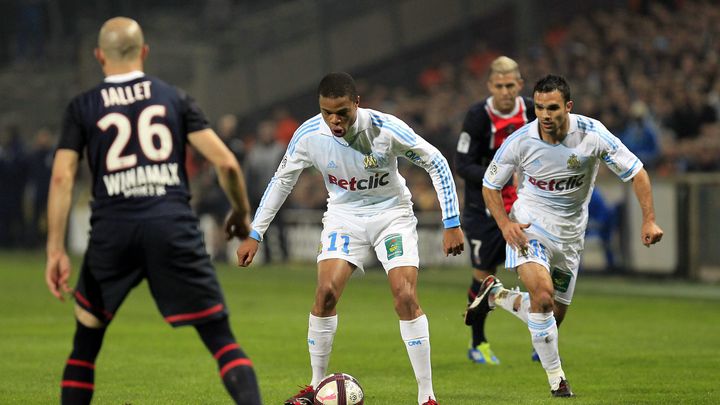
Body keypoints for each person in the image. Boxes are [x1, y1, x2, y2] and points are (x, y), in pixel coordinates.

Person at [44, 17, 261, 405]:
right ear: (144, 52)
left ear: (99, 56)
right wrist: (241, 214)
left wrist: (55, 249)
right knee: (220, 339)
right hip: (171, 225)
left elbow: (62, 178)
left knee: (85, 344)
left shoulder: (83, 106)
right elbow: (226, 163)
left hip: (113, 231)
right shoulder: (173, 98)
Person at [237, 72, 465, 405]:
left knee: (404, 296)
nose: (334, 120)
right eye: (327, 112)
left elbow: (438, 163)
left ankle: (427, 397)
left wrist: (451, 222)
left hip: (391, 215)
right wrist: (255, 232)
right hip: (344, 217)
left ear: (357, 103)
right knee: (326, 293)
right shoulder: (309, 135)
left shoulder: (385, 129)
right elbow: (281, 181)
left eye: (342, 112)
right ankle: (315, 389)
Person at [466, 74, 664, 397]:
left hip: (571, 236)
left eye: (553, 108)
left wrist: (649, 220)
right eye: (540, 107)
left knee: (552, 316)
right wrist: (505, 225)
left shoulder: (592, 134)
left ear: (568, 107)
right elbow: (490, 184)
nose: (545, 115)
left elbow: (637, 172)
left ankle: (497, 296)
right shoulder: (521, 140)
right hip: (529, 227)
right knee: (542, 297)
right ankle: (558, 381)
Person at [454, 55, 535, 365]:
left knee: (535, 273)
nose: (505, 91)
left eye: (510, 85)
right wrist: (496, 176)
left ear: (520, 85)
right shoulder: (477, 116)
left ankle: (540, 338)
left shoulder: (531, 110)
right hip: (484, 210)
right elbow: (463, 164)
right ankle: (479, 344)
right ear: (490, 85)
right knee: (483, 278)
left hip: (526, 205)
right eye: (499, 86)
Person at [244, 119, 288, 263]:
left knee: (280, 227)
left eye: (269, 131)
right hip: (259, 196)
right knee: (263, 229)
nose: (266, 134)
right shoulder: (253, 151)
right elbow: (249, 176)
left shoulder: (280, 149)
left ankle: (284, 255)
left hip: (278, 195)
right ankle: (267, 256)